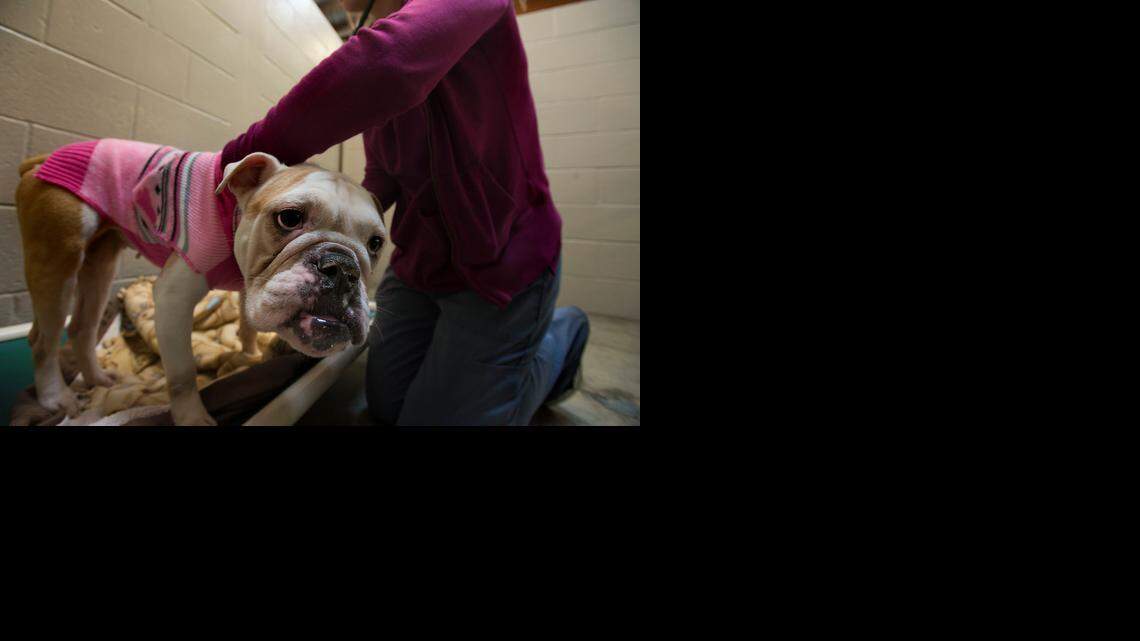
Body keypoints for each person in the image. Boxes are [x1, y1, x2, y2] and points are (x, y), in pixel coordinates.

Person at [221, 0, 589, 426]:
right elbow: (384, 173)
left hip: (501, 262)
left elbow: (390, 64)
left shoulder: (408, 44)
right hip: (418, 265)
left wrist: (232, 159)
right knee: (387, 408)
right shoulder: (381, 48)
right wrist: (308, 216)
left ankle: (560, 336)